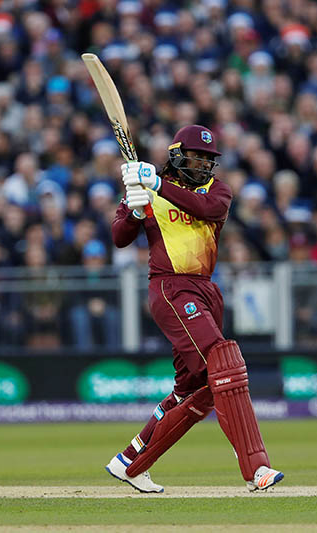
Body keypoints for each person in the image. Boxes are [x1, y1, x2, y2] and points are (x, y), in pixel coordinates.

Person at [105, 125, 284, 493]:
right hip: (170, 287)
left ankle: (130, 460)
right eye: (196, 156)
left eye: (208, 159)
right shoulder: (147, 188)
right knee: (224, 361)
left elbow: (207, 208)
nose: (203, 163)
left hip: (206, 290)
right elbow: (119, 238)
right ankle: (256, 467)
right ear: (176, 155)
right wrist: (136, 211)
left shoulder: (215, 190)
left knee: (194, 387)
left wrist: (155, 186)